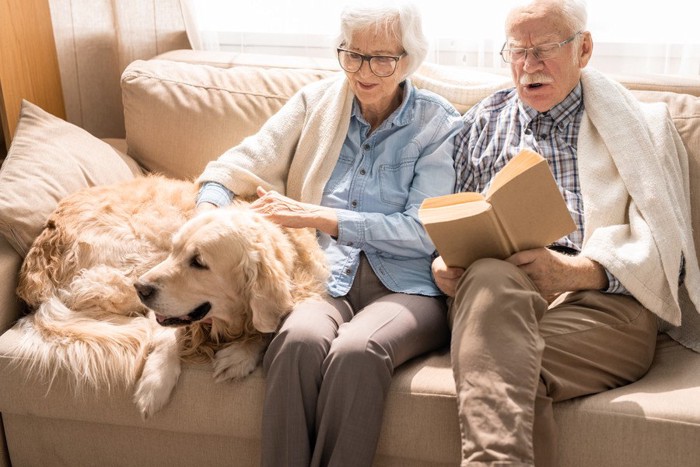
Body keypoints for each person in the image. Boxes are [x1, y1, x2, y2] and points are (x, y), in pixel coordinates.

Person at [431, 0, 700, 466]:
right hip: (494, 296)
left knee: (500, 367)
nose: (529, 66)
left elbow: (663, 252)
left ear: (584, 49)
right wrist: (441, 262)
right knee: (492, 281)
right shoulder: (480, 123)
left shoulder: (641, 126)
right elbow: (452, 215)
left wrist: (576, 271)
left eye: (545, 49)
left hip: (602, 306)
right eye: (517, 51)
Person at [196, 2, 462, 465]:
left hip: (408, 287)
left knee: (359, 351)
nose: (365, 71)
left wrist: (319, 217)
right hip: (323, 276)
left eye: (383, 58)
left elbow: (425, 231)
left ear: (410, 58)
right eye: (353, 55)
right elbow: (230, 169)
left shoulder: (438, 123)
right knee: (296, 342)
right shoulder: (315, 104)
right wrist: (204, 222)